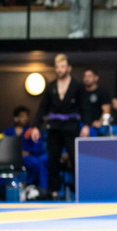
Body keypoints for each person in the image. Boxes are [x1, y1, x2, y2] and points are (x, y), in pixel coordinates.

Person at [28, 54, 86, 199]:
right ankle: (54, 191)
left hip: (71, 125)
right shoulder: (51, 86)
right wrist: (35, 127)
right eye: (57, 67)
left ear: (69, 68)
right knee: (52, 158)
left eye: (62, 67)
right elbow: (43, 108)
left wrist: (86, 125)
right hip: (54, 126)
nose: (60, 70)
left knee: (74, 157)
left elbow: (84, 108)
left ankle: (78, 190)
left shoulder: (77, 86)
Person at [6, 106, 47, 190]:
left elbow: (39, 147)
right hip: (12, 158)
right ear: (16, 118)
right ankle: (5, 189)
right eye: (22, 116)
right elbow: (4, 147)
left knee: (35, 163)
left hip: (28, 158)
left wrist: (28, 152)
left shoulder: (31, 131)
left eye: (26, 116)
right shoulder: (8, 132)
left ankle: (30, 186)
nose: (25, 118)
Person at [80, 69, 111, 135]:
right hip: (81, 125)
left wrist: (100, 122)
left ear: (96, 78)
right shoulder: (80, 92)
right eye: (85, 76)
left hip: (96, 128)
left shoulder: (102, 93)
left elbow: (106, 110)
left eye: (89, 76)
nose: (86, 79)